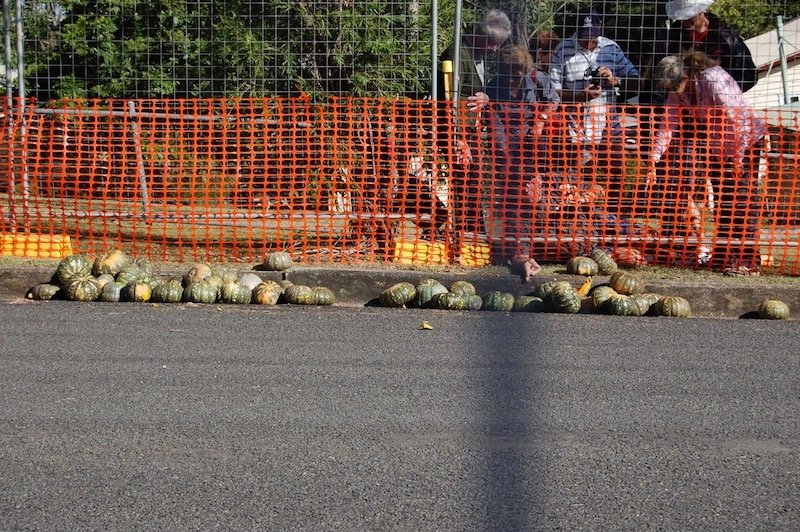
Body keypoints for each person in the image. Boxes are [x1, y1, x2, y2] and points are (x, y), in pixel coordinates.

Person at [647, 52, 767, 276]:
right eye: (668, 88)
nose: (673, 91)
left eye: (675, 85)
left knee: (742, 202)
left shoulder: (713, 79)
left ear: (687, 74)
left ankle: (748, 261)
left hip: (746, 142)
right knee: (723, 204)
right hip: (717, 147)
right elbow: (668, 124)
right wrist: (653, 160)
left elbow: (737, 117)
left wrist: (739, 157)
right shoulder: (678, 93)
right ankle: (723, 257)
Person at [435, 9, 512, 254]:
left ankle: (474, 233)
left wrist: (486, 97)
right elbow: (450, 99)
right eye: (492, 43)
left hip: (474, 131)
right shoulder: (457, 55)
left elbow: (477, 91)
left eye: (498, 45)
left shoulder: (482, 54)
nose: (494, 49)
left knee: (476, 182)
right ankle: (460, 237)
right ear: (479, 34)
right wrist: (458, 139)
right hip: (457, 133)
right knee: (461, 183)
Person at [549, 9, 640, 213]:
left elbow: (635, 80)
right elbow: (552, 92)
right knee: (582, 176)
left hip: (609, 120)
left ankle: (614, 216)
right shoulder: (562, 50)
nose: (589, 40)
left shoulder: (611, 48)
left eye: (593, 36)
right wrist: (580, 96)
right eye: (585, 36)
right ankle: (583, 222)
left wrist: (614, 80)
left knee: (618, 170)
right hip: (577, 125)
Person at [484, 44, 559, 282]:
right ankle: (518, 249)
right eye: (510, 71)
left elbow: (554, 101)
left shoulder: (538, 80)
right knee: (513, 199)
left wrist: (540, 122)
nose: (515, 76)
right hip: (508, 145)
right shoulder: (495, 86)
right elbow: (494, 120)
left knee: (534, 197)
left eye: (519, 70)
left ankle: (540, 245)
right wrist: (502, 152)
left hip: (536, 145)